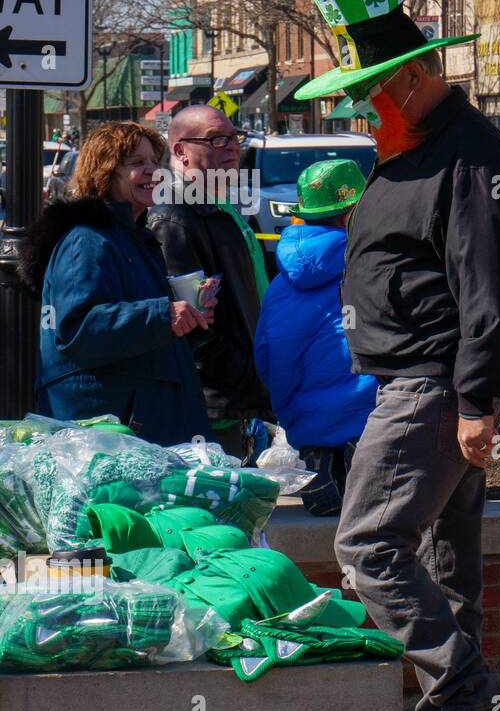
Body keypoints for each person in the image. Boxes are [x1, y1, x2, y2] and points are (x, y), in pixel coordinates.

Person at [282, 0, 500, 711]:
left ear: (419, 76)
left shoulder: (467, 157)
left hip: (430, 386)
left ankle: (471, 698)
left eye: (375, 88)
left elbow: (488, 288)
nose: (361, 103)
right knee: (441, 565)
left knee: (368, 545)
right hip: (413, 381)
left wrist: (475, 399)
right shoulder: (409, 151)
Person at [19, 122, 211, 445]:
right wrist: (165, 315)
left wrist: (187, 316)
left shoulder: (133, 238)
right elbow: (78, 327)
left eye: (154, 162)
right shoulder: (87, 240)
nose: (152, 171)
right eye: (137, 163)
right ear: (106, 172)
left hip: (141, 425)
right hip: (109, 434)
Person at [253, 159, 378, 517]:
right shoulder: (371, 265)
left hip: (308, 432)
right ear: (351, 212)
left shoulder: (280, 285)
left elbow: (265, 354)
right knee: (378, 529)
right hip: (370, 423)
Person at [149, 105, 271, 460]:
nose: (232, 147)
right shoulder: (174, 216)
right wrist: (243, 374)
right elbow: (193, 326)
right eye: (216, 139)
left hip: (239, 400)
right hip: (210, 408)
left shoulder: (221, 206)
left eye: (234, 138)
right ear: (180, 152)